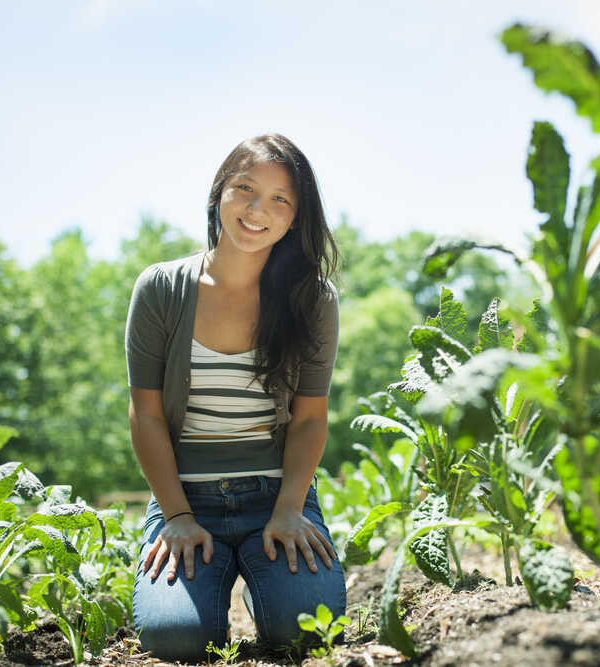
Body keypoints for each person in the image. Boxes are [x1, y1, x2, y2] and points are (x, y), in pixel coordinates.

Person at [124, 133, 346, 660]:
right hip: (186, 499)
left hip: (276, 496)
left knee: (307, 632)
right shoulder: (160, 288)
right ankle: (203, 598)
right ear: (218, 193)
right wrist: (176, 516)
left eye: (279, 199)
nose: (256, 209)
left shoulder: (312, 299)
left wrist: (292, 506)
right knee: (175, 638)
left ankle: (263, 576)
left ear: (296, 216)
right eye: (245, 188)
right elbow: (146, 415)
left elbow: (311, 419)